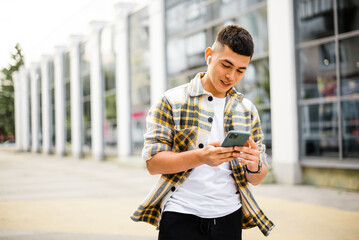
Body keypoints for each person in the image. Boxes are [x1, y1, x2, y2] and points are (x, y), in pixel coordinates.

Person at [131, 25, 274, 239]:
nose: (231, 76)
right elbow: (153, 163)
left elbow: (257, 178)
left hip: (229, 218)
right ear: (209, 55)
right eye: (226, 65)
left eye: (240, 70)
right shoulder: (172, 101)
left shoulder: (247, 110)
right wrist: (201, 157)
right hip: (181, 215)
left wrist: (255, 165)